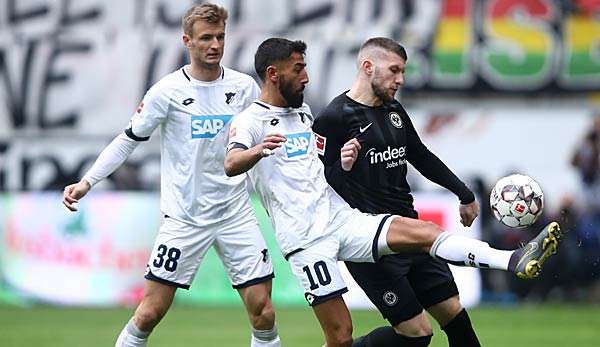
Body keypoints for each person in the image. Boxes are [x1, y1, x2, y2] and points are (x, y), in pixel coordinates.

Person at [224, 37, 563, 347]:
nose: (307, 77)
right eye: (299, 69)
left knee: (428, 237)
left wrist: (343, 164)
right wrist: (257, 152)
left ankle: (513, 259)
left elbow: (323, 172)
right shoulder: (252, 121)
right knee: (341, 337)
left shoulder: (302, 114)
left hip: (343, 219)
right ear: (273, 73)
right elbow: (231, 162)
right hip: (304, 239)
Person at [62, 4, 280, 347]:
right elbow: (127, 140)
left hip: (235, 215)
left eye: (220, 37)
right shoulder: (167, 91)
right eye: (206, 38)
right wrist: (87, 181)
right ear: (187, 42)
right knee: (149, 312)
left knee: (263, 311)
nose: (215, 45)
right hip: (185, 217)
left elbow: (262, 147)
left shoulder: (244, 88)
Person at [312, 37, 480, 347]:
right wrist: (343, 166)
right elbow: (317, 183)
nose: (400, 80)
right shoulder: (333, 118)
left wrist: (463, 193)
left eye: (402, 72)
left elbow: (420, 155)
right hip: (369, 244)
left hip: (411, 232)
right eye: (394, 71)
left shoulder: (393, 110)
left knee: (455, 315)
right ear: (367, 67)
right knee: (417, 335)